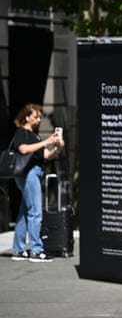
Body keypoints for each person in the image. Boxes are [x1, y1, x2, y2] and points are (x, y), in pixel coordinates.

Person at [9, 104, 65, 262]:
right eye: (36, 116)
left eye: (40, 116)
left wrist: (57, 147)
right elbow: (24, 150)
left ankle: (19, 250)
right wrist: (47, 140)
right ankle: (36, 250)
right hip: (28, 173)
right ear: (27, 117)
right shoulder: (22, 132)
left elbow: (45, 155)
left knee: (25, 212)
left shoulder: (34, 135)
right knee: (35, 211)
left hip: (33, 172)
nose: (39, 119)